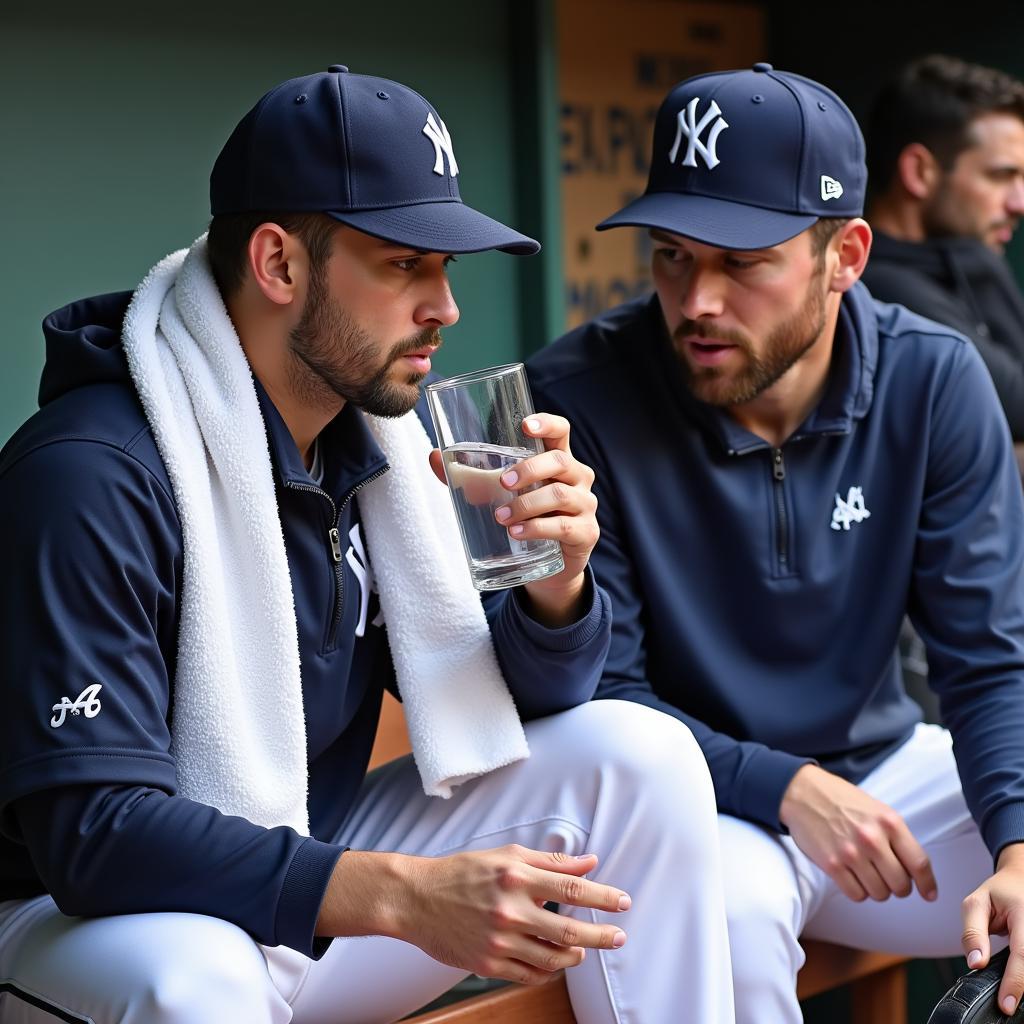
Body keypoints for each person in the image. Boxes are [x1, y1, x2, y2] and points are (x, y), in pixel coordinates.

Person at [0, 66, 734, 1023]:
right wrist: (400, 895)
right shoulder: (93, 471)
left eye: (446, 268)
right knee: (195, 979)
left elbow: (525, 708)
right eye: (403, 264)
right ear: (278, 264)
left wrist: (558, 588)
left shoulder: (368, 448)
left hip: (304, 878)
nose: (446, 308)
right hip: (78, 922)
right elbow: (92, 836)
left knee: (640, 754)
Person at [527, 62, 1024, 1023]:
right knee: (725, 917)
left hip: (884, 778)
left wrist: (1017, 845)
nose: (697, 299)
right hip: (695, 811)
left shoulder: (931, 380)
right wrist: (785, 785)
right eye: (671, 254)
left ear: (847, 254)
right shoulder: (580, 398)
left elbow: (988, 657)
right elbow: (605, 699)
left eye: (742, 261)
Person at [862, 54, 1024, 466]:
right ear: (919, 172)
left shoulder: (952, 260)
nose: (1019, 202)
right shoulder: (879, 286)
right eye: (1000, 175)